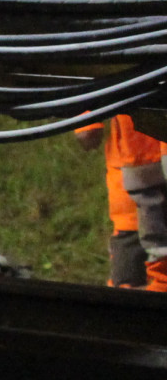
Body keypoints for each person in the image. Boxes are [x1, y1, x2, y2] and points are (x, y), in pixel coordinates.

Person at [78, 113, 167, 289]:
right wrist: (86, 121)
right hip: (135, 182)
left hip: (140, 175)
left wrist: (86, 122)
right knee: (128, 279)